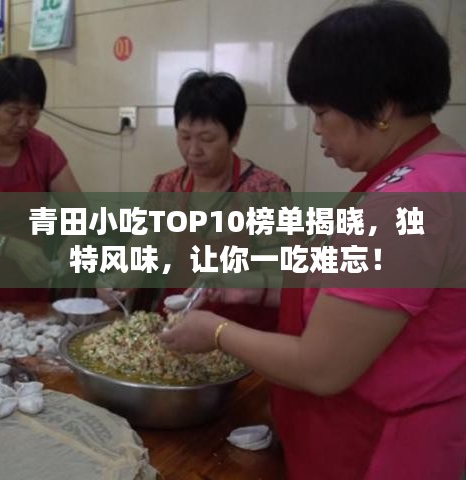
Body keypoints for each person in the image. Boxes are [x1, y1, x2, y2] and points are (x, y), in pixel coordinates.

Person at [159, 2, 466, 479]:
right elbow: (356, 292)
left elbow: (322, 367)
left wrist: (216, 332)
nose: (318, 129)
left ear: (382, 106)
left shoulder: (407, 199)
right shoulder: (438, 172)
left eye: (322, 112)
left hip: (383, 449)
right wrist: (258, 288)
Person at [98, 71, 290, 330]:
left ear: (234, 136)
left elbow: (280, 280)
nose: (193, 151)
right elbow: (136, 260)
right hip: (177, 330)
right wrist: (113, 284)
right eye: (185, 136)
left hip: (242, 337)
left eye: (207, 139)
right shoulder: (167, 187)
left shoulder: (267, 191)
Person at [0, 55, 81, 302]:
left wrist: (73, 240)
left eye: (33, 112)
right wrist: (8, 246)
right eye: (14, 112)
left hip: (28, 289)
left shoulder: (43, 149)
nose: (24, 123)